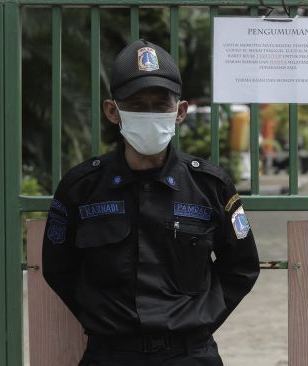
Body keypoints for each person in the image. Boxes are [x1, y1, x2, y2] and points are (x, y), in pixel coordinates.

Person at [42, 39, 260, 365]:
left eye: (160, 104)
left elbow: (241, 266)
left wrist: (198, 318)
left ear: (180, 111)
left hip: (190, 353)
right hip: (111, 354)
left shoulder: (209, 186)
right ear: (112, 111)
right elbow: (59, 268)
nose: (149, 113)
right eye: (136, 104)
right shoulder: (82, 187)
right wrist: (103, 317)